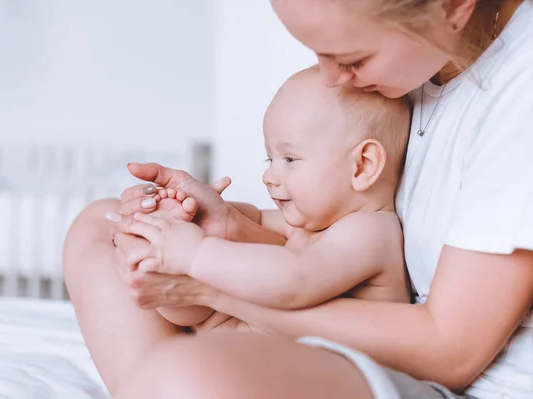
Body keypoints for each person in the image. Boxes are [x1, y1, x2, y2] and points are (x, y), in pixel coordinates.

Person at [63, 0, 533, 398]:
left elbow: (450, 352)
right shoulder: (417, 68)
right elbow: (310, 250)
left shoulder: (519, 93)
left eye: (352, 58)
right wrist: (215, 222)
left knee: (187, 375)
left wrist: (205, 278)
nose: (333, 80)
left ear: (452, 7)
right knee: (103, 227)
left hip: (428, 376)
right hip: (322, 323)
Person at [108, 66, 410, 334]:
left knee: (207, 282)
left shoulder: (369, 231)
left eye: (290, 158)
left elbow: (297, 279)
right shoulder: (314, 224)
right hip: (260, 352)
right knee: (190, 301)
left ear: (363, 166)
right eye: (270, 158)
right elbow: (251, 220)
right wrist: (192, 216)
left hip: (329, 381)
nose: (269, 176)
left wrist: (196, 252)